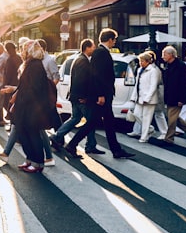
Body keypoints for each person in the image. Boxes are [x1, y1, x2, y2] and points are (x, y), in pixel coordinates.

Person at [63, 28, 135, 159]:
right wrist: (101, 95)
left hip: (104, 94)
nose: (115, 42)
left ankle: (116, 150)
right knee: (92, 122)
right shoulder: (101, 53)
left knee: (108, 122)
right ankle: (72, 145)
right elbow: (98, 75)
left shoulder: (100, 52)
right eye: (114, 40)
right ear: (110, 40)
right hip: (102, 95)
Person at [2, 40, 60, 173]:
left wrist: (22, 98)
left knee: (33, 135)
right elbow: (25, 86)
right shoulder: (29, 64)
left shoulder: (35, 65)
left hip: (32, 108)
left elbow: (33, 88)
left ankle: (38, 163)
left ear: (30, 51)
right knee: (24, 134)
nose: (22, 52)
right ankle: (30, 159)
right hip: (25, 106)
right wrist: (16, 92)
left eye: (24, 49)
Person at [51, 39, 98, 153]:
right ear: (87, 48)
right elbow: (80, 80)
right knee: (90, 120)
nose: (94, 49)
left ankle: (58, 136)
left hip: (75, 95)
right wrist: (84, 96)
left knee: (76, 118)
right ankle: (90, 145)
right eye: (93, 47)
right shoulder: (83, 61)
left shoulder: (78, 58)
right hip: (80, 97)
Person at [160, 46, 186, 144]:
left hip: (177, 96)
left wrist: (181, 99)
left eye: (165, 54)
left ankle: (169, 138)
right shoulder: (168, 65)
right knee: (173, 117)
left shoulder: (181, 66)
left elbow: (184, 84)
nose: (163, 56)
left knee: (171, 119)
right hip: (170, 95)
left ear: (171, 55)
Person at [128, 51, 162, 142]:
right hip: (140, 97)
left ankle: (144, 136)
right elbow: (137, 85)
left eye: (142, 61)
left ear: (148, 61)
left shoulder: (153, 71)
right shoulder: (140, 70)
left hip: (149, 99)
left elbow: (153, 86)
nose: (140, 63)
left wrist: (148, 98)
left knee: (147, 117)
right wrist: (134, 96)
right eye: (140, 61)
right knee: (136, 114)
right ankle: (150, 129)